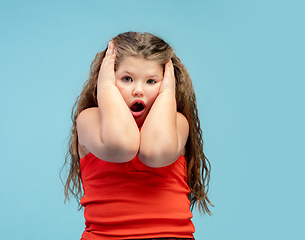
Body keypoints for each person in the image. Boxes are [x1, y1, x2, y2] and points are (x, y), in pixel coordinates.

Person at [63, 32, 212, 240]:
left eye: (151, 81)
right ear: (107, 76)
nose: (138, 90)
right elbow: (122, 146)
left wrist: (168, 93)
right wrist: (105, 86)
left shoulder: (177, 123)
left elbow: (154, 152)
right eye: (127, 79)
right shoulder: (89, 120)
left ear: (167, 82)